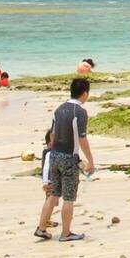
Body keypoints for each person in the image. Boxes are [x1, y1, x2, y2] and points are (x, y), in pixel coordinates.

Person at [34, 78, 95, 242]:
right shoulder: (80, 112)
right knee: (69, 197)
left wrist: (55, 151)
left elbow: (52, 134)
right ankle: (65, 233)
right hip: (69, 158)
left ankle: (41, 228)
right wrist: (90, 160)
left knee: (54, 194)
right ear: (85, 93)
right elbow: (82, 139)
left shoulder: (59, 109)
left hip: (54, 155)